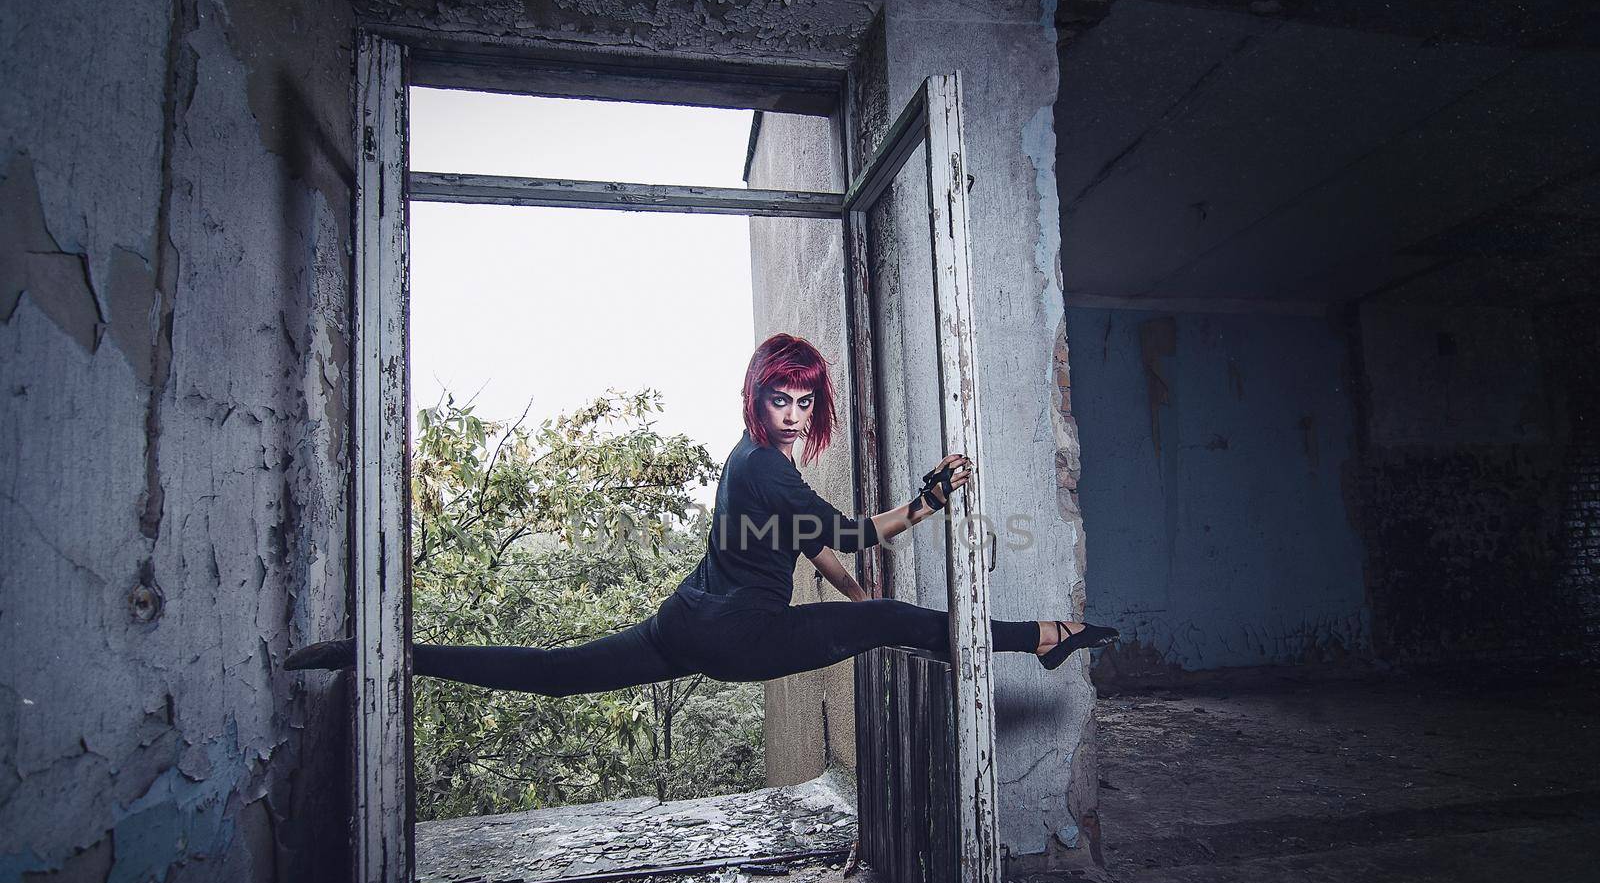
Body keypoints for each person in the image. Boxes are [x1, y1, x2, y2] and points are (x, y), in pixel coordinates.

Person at [285, 333, 1119, 690]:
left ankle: (375, 657)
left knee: (553, 672)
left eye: (803, 399)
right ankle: (1047, 637)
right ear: (758, 397)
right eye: (779, 397)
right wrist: (926, 503)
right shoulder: (768, 467)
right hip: (732, 638)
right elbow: (854, 534)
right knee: (901, 620)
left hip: (681, 620)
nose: (792, 410)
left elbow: (812, 550)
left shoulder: (752, 465)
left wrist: (854, 599)